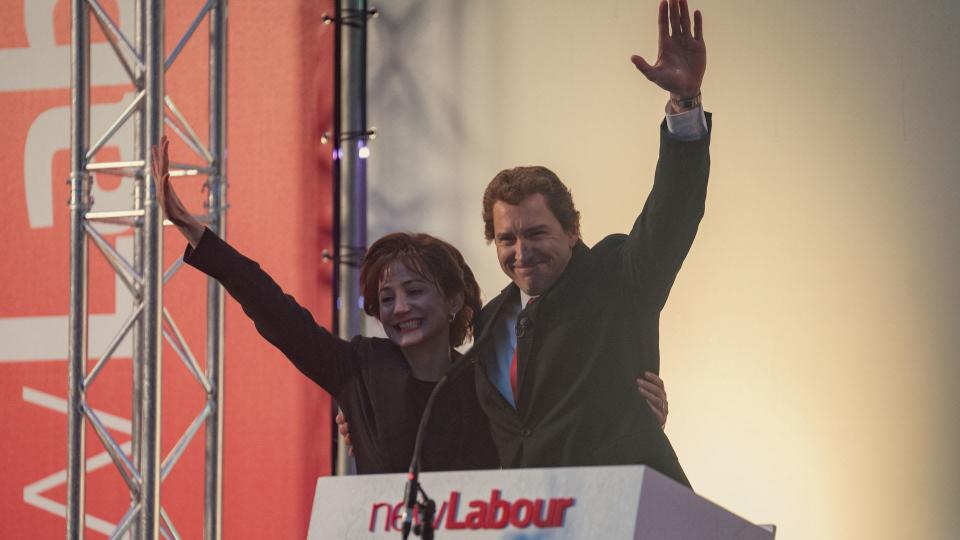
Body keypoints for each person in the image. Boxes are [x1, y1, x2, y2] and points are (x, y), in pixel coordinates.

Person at [152, 137, 498, 473]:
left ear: (453, 299)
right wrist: (189, 225)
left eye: (415, 291)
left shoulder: (487, 381)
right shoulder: (359, 369)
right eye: (387, 298)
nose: (401, 308)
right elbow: (276, 311)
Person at [472, 0, 709, 487]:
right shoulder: (491, 320)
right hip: (531, 522)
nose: (521, 252)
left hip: (625, 510)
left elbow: (671, 215)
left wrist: (685, 106)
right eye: (506, 239)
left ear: (572, 228)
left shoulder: (618, 276)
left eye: (536, 233)